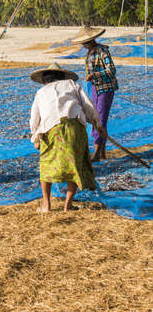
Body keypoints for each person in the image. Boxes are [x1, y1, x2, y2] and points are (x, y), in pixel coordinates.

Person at [30, 63, 105, 212]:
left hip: (50, 129)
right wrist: (97, 124)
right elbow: (88, 106)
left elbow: (34, 118)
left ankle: (46, 205)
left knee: (46, 165)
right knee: (74, 163)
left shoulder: (41, 92)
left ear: (46, 80)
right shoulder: (72, 84)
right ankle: (67, 205)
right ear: (62, 76)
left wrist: (36, 137)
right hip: (74, 127)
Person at [71, 26, 118, 161]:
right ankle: (102, 152)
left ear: (91, 40)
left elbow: (111, 70)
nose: (83, 45)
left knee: (100, 119)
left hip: (105, 88)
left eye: (85, 42)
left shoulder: (102, 50)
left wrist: (94, 75)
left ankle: (97, 151)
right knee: (95, 116)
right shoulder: (89, 53)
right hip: (95, 89)